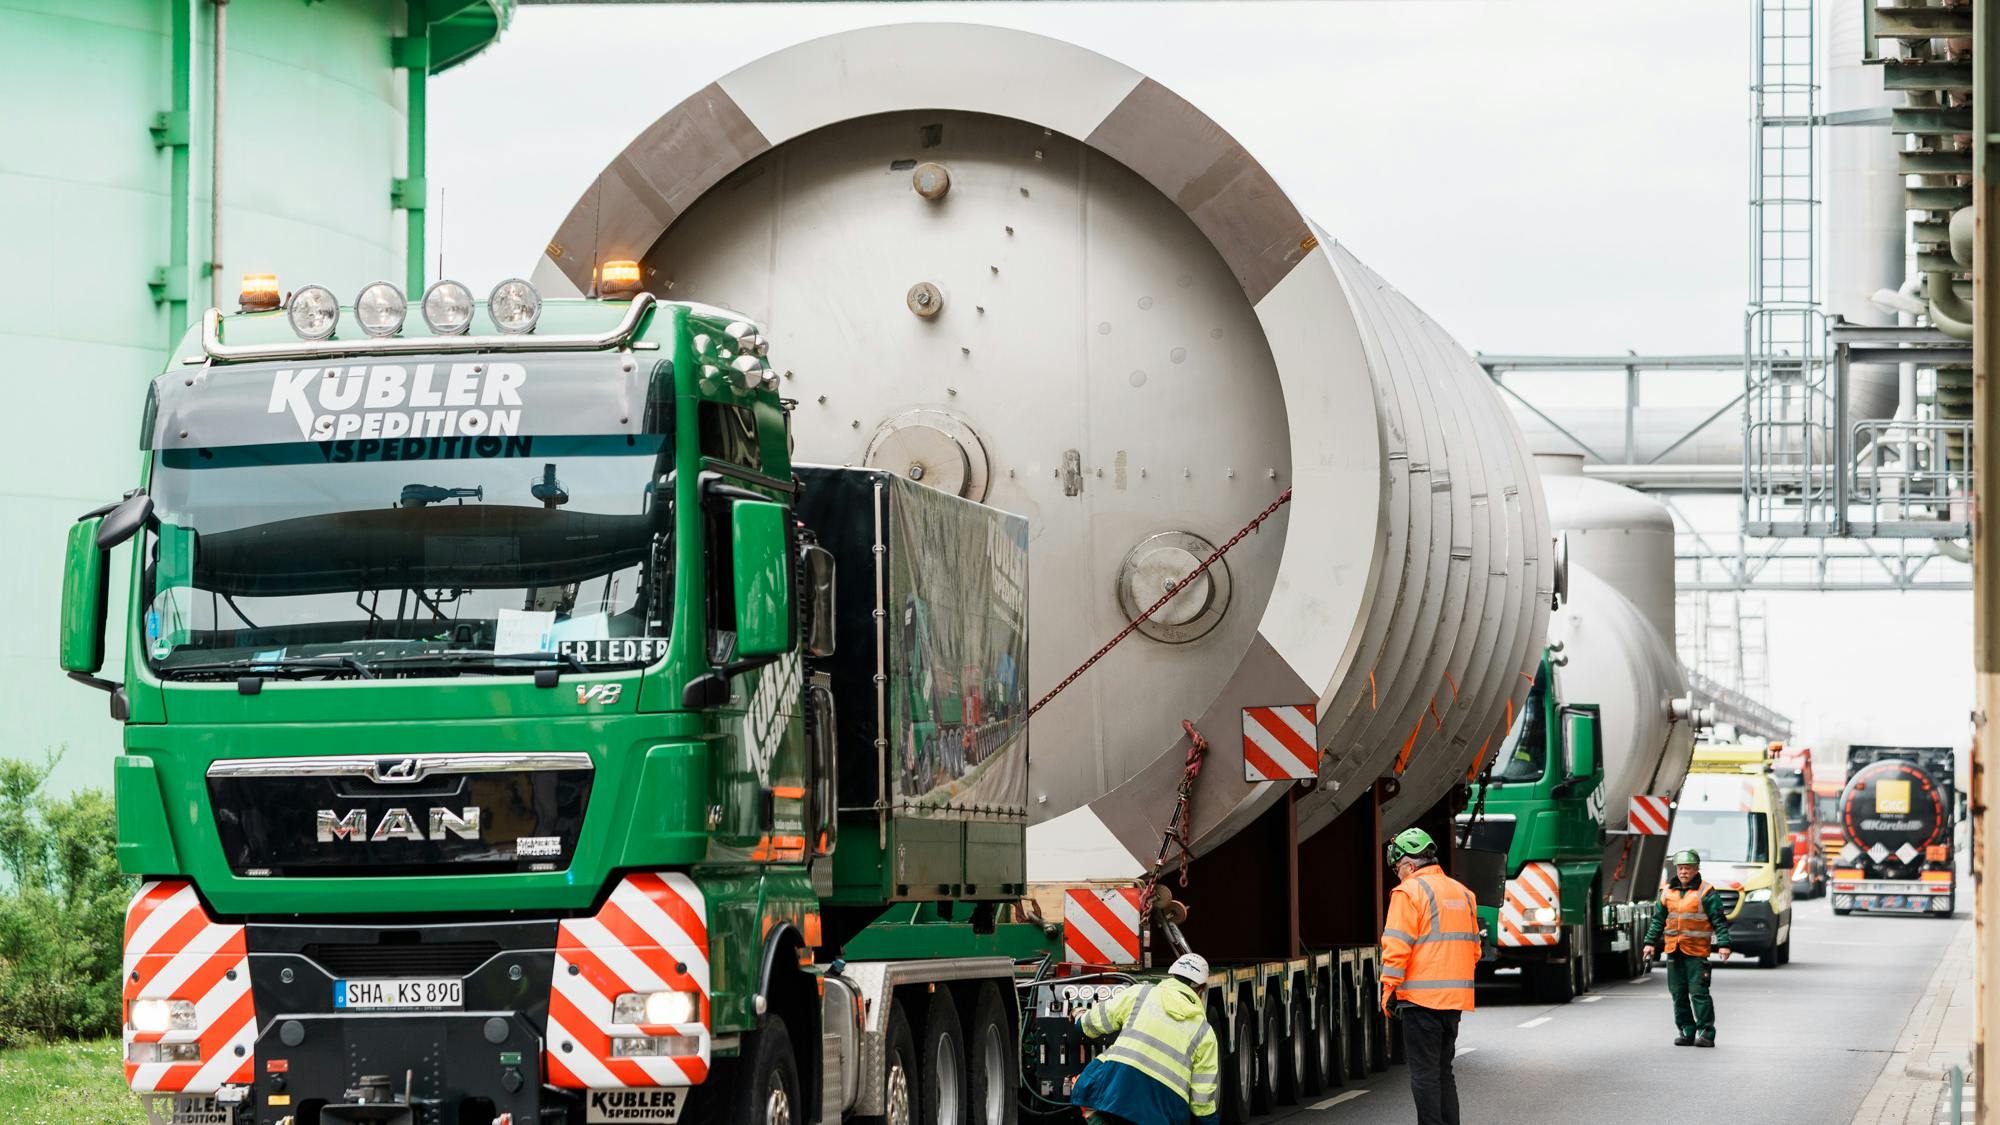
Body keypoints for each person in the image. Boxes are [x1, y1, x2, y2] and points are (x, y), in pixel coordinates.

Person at [1380, 827, 1480, 1125]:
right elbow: (1474, 950)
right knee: (1443, 1072)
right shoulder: (1464, 893)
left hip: (1420, 1002)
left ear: (1410, 865)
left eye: (1398, 868)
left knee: (1424, 1076)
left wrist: (1388, 991)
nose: (1397, 874)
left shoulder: (1409, 892)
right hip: (1453, 1002)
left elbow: (1396, 946)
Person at [1070, 952, 1221, 1125]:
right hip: (1166, 1111)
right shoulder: (1204, 1033)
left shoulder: (1140, 994)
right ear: (1201, 989)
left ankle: (1097, 1121)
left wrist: (1079, 1015)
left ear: (1172, 975)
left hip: (1119, 1091)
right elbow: (1202, 1099)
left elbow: (1090, 1025)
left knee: (1081, 1083)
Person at [1642, 848, 1733, 1047]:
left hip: (1696, 952)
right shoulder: (1667, 892)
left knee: (1699, 993)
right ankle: (1686, 1031)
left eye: (1688, 868)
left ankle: (1706, 1033)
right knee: (1678, 993)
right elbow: (1658, 920)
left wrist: (1724, 945)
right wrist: (1649, 943)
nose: (1684, 872)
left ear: (1697, 869)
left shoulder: (1706, 892)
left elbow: (1719, 920)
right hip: (1674, 950)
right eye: (1681, 868)